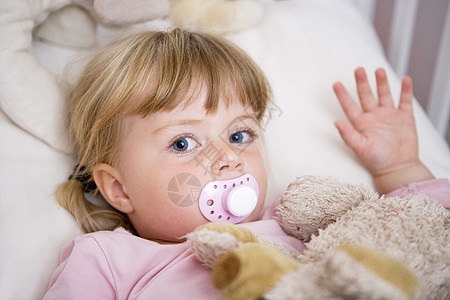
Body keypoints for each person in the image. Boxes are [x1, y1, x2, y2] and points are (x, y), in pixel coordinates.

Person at [44, 29, 449, 299]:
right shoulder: (109, 258)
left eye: (239, 135)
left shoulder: (295, 224)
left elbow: (416, 231)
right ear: (118, 189)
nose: (227, 158)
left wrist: (399, 167)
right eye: (183, 142)